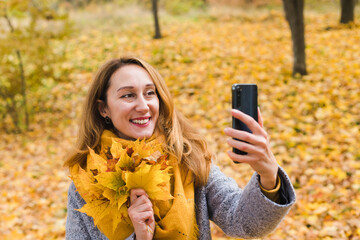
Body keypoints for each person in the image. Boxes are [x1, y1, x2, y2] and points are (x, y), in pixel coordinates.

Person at [64, 56, 296, 240]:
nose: (143, 106)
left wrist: (268, 174)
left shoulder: (188, 158)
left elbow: (244, 222)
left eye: (150, 93)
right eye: (128, 95)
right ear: (103, 108)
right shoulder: (86, 183)